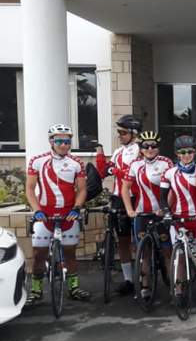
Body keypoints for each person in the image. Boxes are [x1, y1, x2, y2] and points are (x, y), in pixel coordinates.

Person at [25, 124, 90, 306]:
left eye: (67, 141)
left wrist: (77, 208)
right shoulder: (37, 161)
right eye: (59, 141)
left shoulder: (76, 162)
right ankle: (36, 291)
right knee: (39, 254)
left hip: (68, 215)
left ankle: (73, 288)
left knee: (70, 253)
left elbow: (82, 189)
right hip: (44, 215)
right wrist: (37, 210)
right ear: (51, 142)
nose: (63, 145)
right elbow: (30, 189)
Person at [160, 135, 196, 312]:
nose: (186, 155)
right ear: (177, 154)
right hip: (178, 221)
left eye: (190, 152)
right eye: (182, 152)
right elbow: (164, 199)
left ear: (195, 152)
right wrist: (167, 213)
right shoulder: (169, 173)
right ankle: (179, 291)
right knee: (180, 259)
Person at [121, 131, 174, 301]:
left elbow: (173, 187)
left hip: (161, 213)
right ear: (141, 148)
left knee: (167, 251)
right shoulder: (135, 165)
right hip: (142, 213)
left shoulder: (166, 163)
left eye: (154, 146)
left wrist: (166, 209)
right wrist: (129, 210)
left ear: (158, 147)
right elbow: (125, 188)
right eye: (146, 146)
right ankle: (145, 286)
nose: (150, 149)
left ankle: (174, 285)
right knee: (144, 252)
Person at [95, 114, 142, 295]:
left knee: (137, 239)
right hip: (117, 197)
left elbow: (132, 172)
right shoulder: (117, 152)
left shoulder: (139, 149)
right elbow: (103, 171)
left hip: (134, 197)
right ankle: (129, 279)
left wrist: (115, 169)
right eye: (119, 132)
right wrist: (100, 153)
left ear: (133, 133)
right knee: (123, 240)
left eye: (123, 132)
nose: (120, 135)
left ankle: (142, 275)